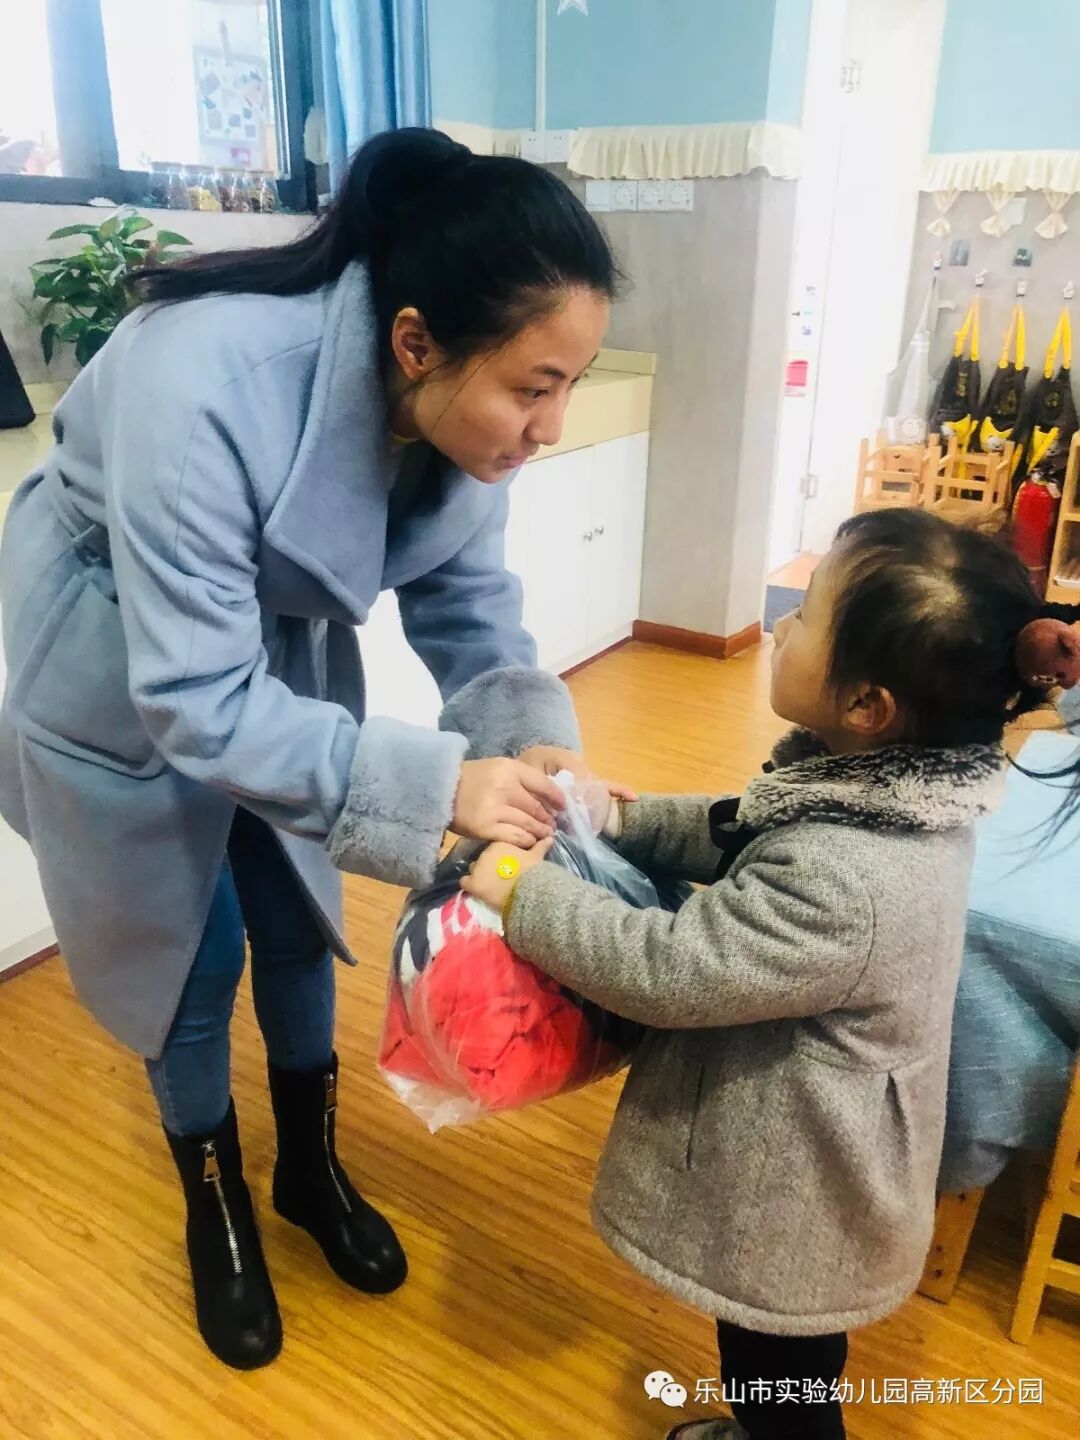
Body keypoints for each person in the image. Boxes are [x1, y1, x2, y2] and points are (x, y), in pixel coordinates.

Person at [0, 127, 626, 1369]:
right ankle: (216, 1205)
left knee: (296, 914)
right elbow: (195, 696)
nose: (549, 425)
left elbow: (470, 606)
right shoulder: (203, 381)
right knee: (189, 952)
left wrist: (529, 746)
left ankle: (309, 1169)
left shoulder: (455, 400)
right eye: (533, 387)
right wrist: (440, 786)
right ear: (416, 343)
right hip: (114, 660)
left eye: (571, 384)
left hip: (261, 656)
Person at [462, 509, 1080, 1440]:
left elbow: (670, 969)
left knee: (778, 1366)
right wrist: (620, 819)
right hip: (808, 1154)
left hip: (802, 1192)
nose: (784, 623)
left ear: (866, 704)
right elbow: (739, 825)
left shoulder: (851, 878)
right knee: (778, 1360)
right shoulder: (884, 788)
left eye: (809, 614)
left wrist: (523, 893)